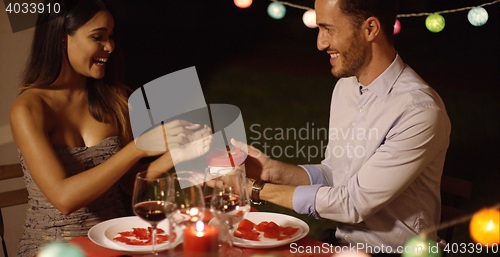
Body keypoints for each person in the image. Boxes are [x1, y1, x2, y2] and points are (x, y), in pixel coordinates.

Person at [232, 0, 451, 250]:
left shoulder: (419, 111)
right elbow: (335, 175)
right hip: (342, 247)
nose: (320, 43)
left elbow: (353, 204)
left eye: (329, 30)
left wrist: (256, 189)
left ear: (370, 29)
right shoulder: (346, 88)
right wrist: (270, 171)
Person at [9, 1, 211, 256]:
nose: (110, 46)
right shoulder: (29, 108)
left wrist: (177, 155)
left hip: (117, 241)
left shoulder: (115, 98)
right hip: (54, 249)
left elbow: (128, 182)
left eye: (111, 36)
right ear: (62, 39)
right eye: (98, 37)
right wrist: (138, 148)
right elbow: (64, 199)